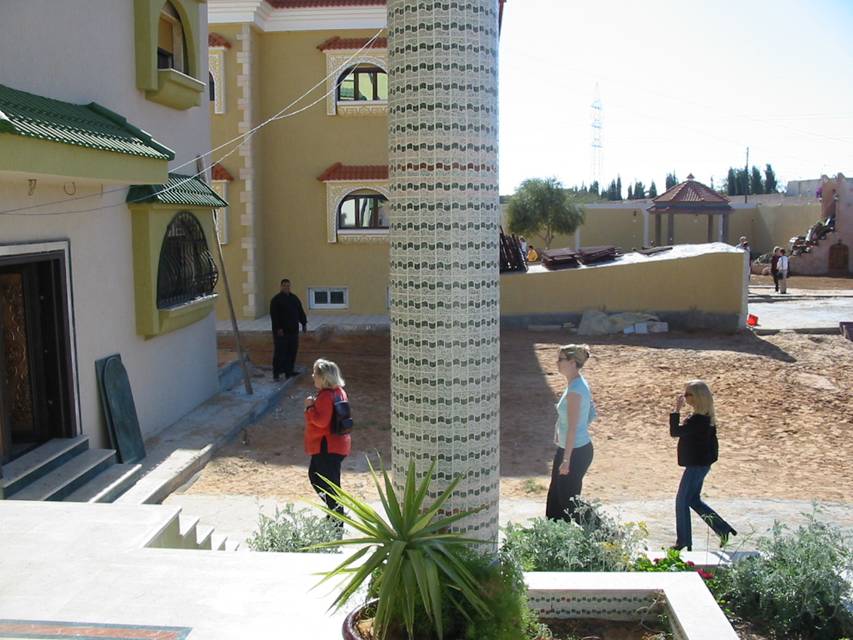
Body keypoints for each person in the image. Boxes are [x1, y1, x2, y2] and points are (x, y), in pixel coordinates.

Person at [669, 380, 736, 551]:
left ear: (697, 397)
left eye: (688, 394)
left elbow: (675, 432)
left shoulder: (698, 420)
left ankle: (683, 541)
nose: (685, 397)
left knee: (681, 501)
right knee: (693, 500)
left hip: (696, 466)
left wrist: (676, 410)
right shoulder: (704, 418)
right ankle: (723, 529)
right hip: (701, 465)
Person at [546, 344, 597, 523]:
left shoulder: (575, 390)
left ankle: (605, 533)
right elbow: (590, 413)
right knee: (555, 499)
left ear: (573, 363)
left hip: (575, 452)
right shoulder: (577, 384)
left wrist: (566, 460)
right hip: (568, 449)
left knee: (569, 502)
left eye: (561, 359)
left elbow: (573, 428)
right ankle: (554, 535)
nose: (557, 363)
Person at [304, 359, 351, 522]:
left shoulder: (325, 396)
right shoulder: (339, 391)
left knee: (325, 483)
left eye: (315, 374)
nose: (313, 376)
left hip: (326, 446)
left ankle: (337, 519)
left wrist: (310, 407)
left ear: (323, 377)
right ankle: (335, 513)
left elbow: (321, 421)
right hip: (337, 444)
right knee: (319, 478)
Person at [269, 278, 307, 380]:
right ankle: (276, 373)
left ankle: (289, 371)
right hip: (281, 332)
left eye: (288, 286)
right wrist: (278, 328)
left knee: (292, 351)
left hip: (293, 331)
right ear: (281, 287)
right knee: (280, 352)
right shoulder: (276, 300)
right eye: (284, 285)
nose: (286, 287)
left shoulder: (294, 298)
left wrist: (304, 323)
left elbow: (300, 311)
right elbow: (274, 316)